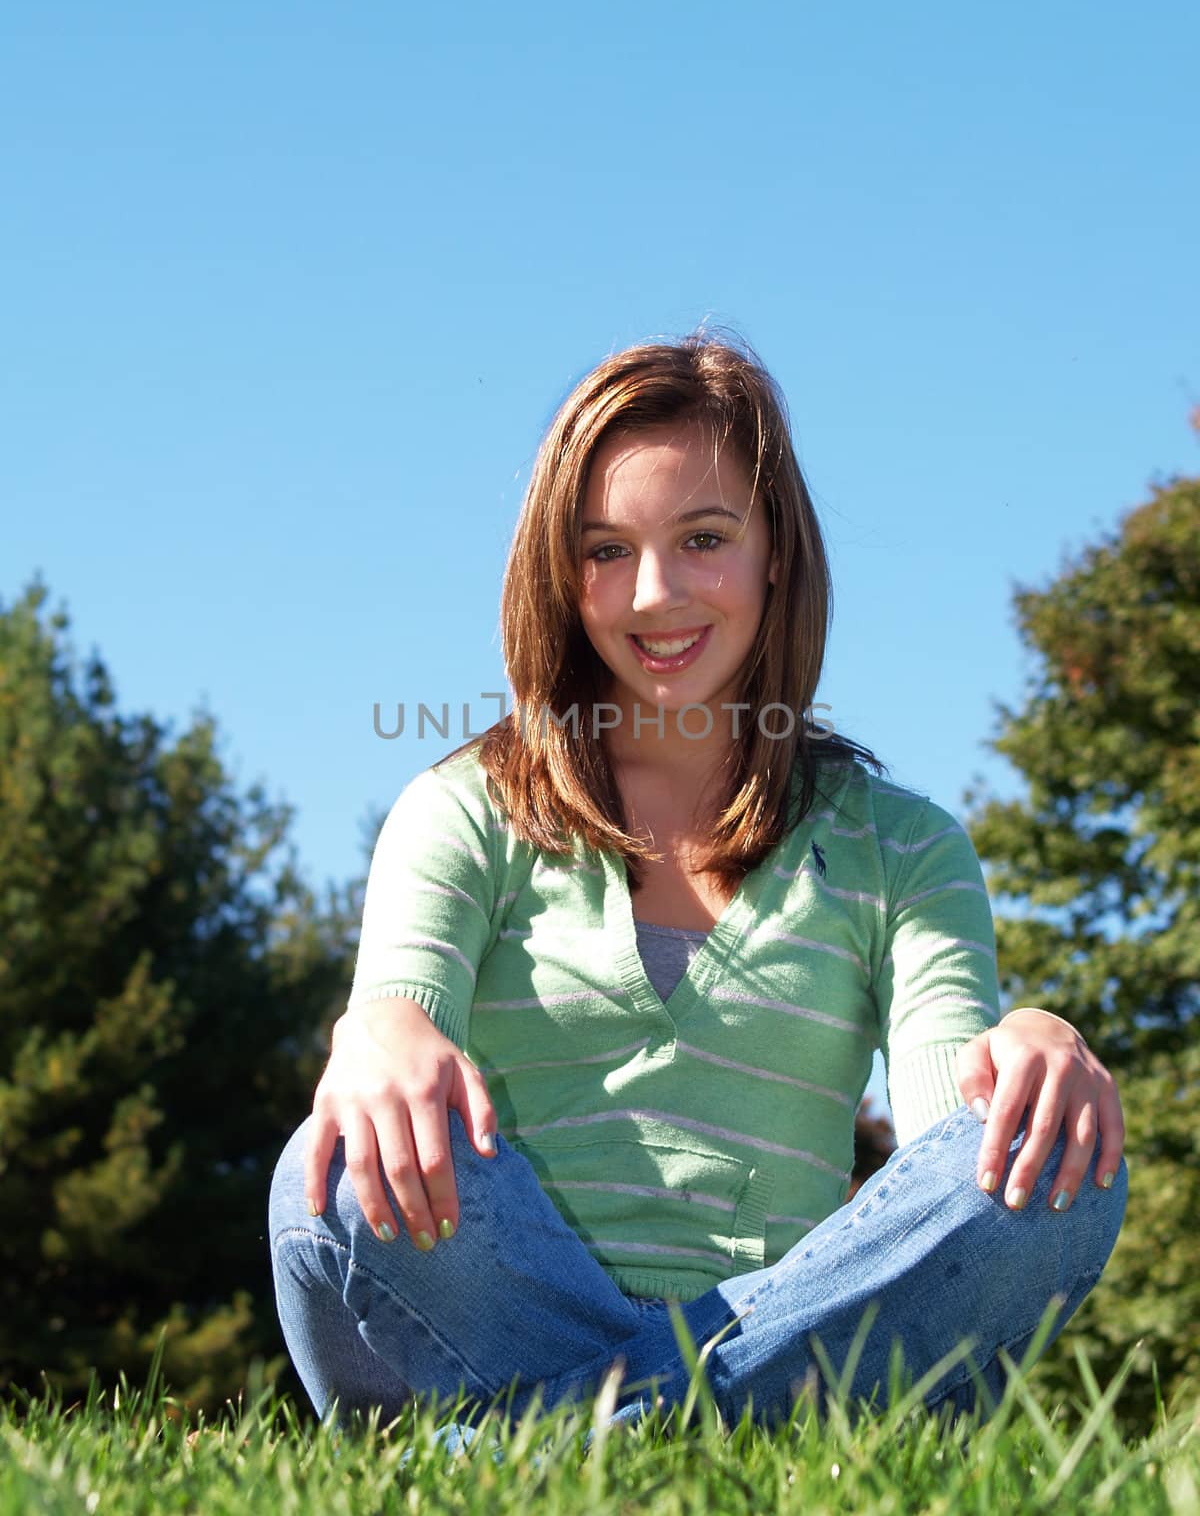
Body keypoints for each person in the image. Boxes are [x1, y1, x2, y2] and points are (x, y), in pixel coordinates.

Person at [268, 332, 1126, 1433]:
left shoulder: (902, 847)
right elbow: (395, 1023)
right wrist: (381, 1027)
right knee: (331, 1168)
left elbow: (947, 1141)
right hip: (501, 1313)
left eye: (704, 538)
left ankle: (527, 1449)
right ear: (557, 571)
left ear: (777, 552)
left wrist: (1037, 1045)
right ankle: (705, 1423)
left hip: (799, 1315)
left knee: (1063, 1162)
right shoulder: (462, 807)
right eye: (606, 549)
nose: (655, 594)